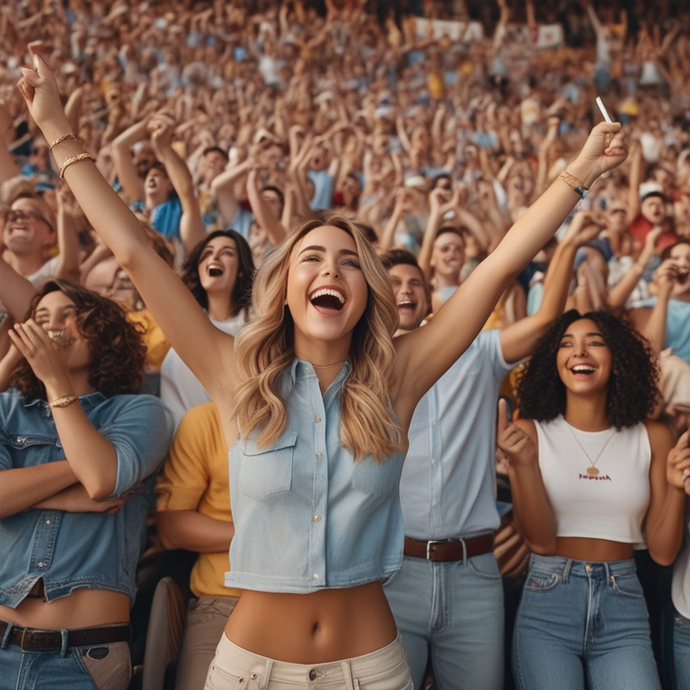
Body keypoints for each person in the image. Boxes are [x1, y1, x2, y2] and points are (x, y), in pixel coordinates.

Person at [20, 47, 628, 689]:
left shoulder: (400, 376)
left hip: (369, 670)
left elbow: (499, 265)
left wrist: (580, 171)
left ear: (366, 293)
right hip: (247, 669)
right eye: (312, 258)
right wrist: (57, 128)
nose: (330, 271)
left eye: (347, 261)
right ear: (285, 287)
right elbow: (136, 257)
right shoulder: (232, 373)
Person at [381, 212, 601, 690]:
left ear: (430, 296)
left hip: (474, 575)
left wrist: (565, 248)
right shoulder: (357, 368)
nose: (405, 289)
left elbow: (545, 322)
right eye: (392, 281)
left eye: (415, 282)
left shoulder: (477, 351)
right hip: (391, 574)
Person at [497, 310, 689, 690]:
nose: (579, 352)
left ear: (618, 358)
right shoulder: (528, 433)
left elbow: (664, 553)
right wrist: (522, 465)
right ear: (553, 361)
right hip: (547, 601)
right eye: (566, 344)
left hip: (625, 603)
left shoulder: (653, 436)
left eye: (594, 343)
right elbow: (540, 541)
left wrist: (676, 487)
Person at [0, 280, 169, 689]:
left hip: (81, 657)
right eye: (41, 320)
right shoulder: (9, 409)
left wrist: (57, 383)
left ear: (105, 333)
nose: (53, 327)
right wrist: (65, 495)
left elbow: (101, 478)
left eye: (69, 317)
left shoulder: (140, 410)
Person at [159, 229, 255, 429]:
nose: (215, 257)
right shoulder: (179, 321)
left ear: (240, 270)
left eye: (227, 252)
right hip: (182, 441)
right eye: (207, 253)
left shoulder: (256, 327)